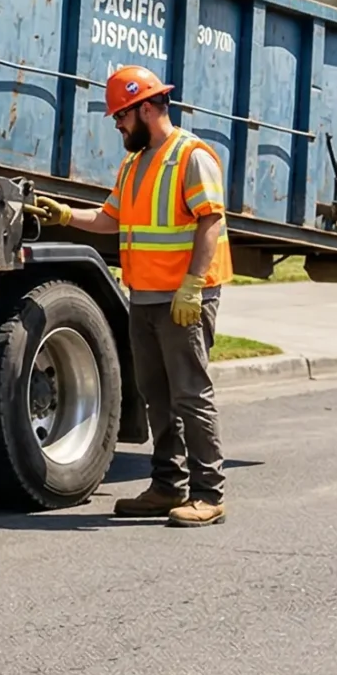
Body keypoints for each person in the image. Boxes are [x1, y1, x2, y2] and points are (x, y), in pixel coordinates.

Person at [29, 66, 231, 527]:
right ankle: (167, 487)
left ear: (145, 108)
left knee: (190, 395)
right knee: (156, 397)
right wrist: (64, 215)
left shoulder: (191, 157)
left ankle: (209, 493)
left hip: (184, 297)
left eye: (120, 115)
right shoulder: (135, 163)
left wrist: (194, 285)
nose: (117, 124)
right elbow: (109, 219)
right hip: (144, 297)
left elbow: (211, 221)